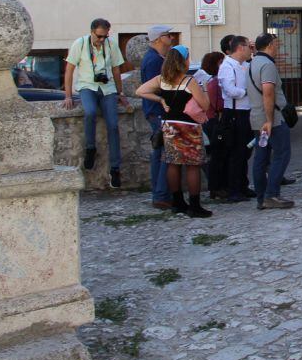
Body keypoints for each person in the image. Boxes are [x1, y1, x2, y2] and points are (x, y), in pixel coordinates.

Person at [136, 45, 213, 218]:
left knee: (173, 163)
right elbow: (205, 105)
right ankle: (194, 205)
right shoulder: (189, 81)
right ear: (183, 60)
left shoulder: (161, 79)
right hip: (188, 125)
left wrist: (161, 98)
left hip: (169, 125)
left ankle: (177, 203)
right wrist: (205, 88)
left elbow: (140, 91)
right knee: (193, 165)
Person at [62, 18, 127, 188]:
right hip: (87, 86)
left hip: (107, 88)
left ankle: (115, 168)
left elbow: (116, 69)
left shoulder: (111, 45)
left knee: (113, 125)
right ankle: (90, 147)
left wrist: (121, 93)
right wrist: (68, 95)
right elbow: (69, 70)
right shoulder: (80, 44)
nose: (101, 40)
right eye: (99, 36)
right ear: (92, 32)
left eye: (104, 36)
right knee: (90, 112)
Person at [247, 33, 294, 210]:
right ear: (269, 45)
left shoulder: (252, 63)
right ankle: (271, 194)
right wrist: (269, 119)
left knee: (261, 156)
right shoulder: (267, 65)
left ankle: (262, 196)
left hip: (256, 116)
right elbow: (268, 92)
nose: (278, 47)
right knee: (282, 154)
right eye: (276, 44)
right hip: (271, 118)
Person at [139, 25, 173, 208]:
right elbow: (154, 86)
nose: (171, 38)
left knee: (160, 151)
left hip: (156, 111)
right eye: (168, 35)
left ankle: (160, 193)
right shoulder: (153, 61)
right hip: (158, 111)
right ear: (159, 38)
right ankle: (161, 194)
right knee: (165, 153)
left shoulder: (156, 58)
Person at [218, 35, 255, 203]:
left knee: (245, 150)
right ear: (240, 47)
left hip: (246, 111)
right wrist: (247, 92)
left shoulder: (245, 65)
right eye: (248, 46)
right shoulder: (227, 66)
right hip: (234, 113)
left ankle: (243, 185)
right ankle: (234, 189)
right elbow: (230, 90)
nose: (250, 49)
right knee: (236, 152)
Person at [201, 51, 227, 198]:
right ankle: (216, 187)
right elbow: (217, 104)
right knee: (218, 156)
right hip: (215, 121)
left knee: (219, 155)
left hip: (213, 120)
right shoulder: (215, 82)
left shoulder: (213, 81)